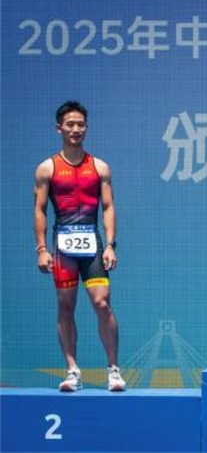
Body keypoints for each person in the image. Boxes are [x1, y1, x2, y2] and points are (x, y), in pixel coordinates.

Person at [34, 101, 126, 392]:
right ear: (59, 128)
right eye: (70, 124)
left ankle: (113, 370)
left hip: (92, 244)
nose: (76, 129)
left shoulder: (99, 167)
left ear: (86, 128)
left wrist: (110, 245)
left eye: (80, 124)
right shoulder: (47, 168)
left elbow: (108, 206)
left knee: (102, 303)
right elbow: (39, 209)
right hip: (63, 247)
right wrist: (41, 249)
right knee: (65, 306)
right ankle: (73, 370)